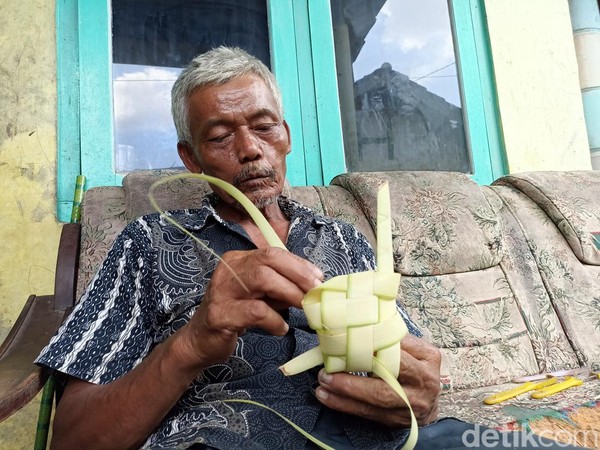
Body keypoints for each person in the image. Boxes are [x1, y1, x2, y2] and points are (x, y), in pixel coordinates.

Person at [36, 47, 583, 450]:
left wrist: (420, 395)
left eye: (263, 127)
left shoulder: (343, 239)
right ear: (191, 158)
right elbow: (73, 440)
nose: (250, 150)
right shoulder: (149, 243)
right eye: (221, 136)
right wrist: (195, 342)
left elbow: (414, 376)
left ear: (287, 137)